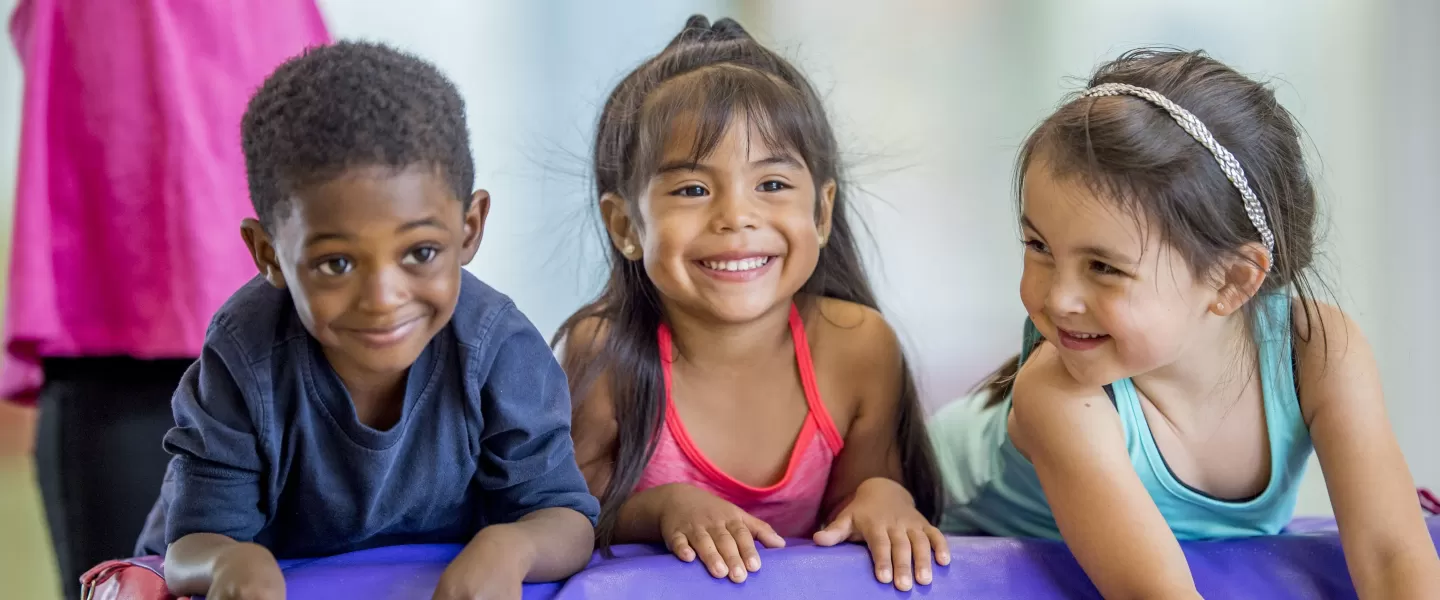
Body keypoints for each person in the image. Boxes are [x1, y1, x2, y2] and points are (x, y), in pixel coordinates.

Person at [930, 48, 1440, 599]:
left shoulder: (1317, 350)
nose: (1058, 297)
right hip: (925, 488)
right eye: (1038, 246)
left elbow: (1392, 556)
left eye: (1104, 267)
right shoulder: (1060, 394)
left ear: (1231, 282)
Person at [133, 41, 599, 600]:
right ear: (269, 255)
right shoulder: (244, 357)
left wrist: (512, 547)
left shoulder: (500, 350)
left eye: (420, 252)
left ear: (470, 227)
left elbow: (565, 520)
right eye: (337, 263)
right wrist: (232, 562)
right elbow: (187, 548)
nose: (382, 297)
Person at [556, 15, 946, 593]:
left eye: (771, 185)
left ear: (821, 212)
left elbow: (857, 511)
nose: (735, 216)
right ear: (625, 225)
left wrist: (883, 497)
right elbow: (569, 517)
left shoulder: (858, 346)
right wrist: (663, 509)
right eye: (692, 189)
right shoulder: (603, 349)